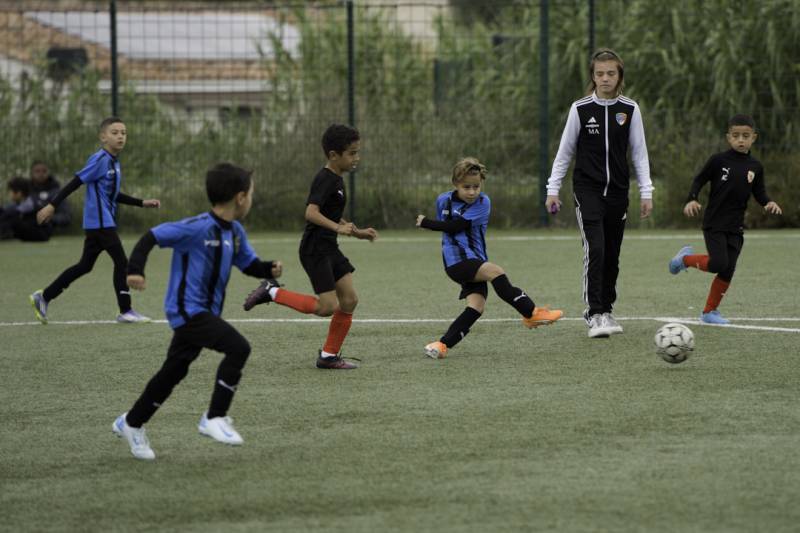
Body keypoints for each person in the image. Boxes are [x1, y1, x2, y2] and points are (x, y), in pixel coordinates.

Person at [113, 162, 283, 460]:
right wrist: (135, 269)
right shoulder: (196, 227)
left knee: (173, 372)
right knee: (238, 348)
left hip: (206, 313)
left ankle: (131, 422)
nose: (252, 200)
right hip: (188, 311)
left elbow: (248, 265)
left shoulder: (236, 232)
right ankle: (214, 417)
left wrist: (268, 268)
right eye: (251, 194)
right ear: (241, 198)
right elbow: (151, 236)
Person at [243, 124, 377, 370]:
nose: (356, 158)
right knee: (327, 307)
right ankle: (272, 292)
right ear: (333, 155)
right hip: (315, 249)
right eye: (352, 153)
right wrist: (337, 229)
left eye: (357, 152)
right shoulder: (325, 179)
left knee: (349, 300)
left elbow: (331, 214)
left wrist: (356, 232)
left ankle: (328, 356)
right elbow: (311, 213)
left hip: (329, 247)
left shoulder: (337, 179)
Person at [545, 48, 653, 338]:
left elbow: (640, 154)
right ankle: (593, 313)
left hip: (618, 192)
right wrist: (552, 189)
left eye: (611, 73)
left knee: (613, 255)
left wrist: (647, 192)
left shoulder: (630, 109)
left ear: (619, 76)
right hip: (587, 190)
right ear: (593, 77)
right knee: (596, 249)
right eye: (599, 74)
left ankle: (606, 310)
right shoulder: (580, 109)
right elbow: (564, 152)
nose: (605, 79)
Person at [415, 157, 564, 359]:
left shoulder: (483, 202)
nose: (472, 191)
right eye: (466, 186)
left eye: (476, 186)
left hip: (474, 258)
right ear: (455, 184)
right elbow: (446, 228)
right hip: (456, 261)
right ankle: (531, 313)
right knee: (496, 271)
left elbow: (455, 226)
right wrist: (431, 224)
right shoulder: (443, 200)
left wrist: (427, 223)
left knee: (476, 307)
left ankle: (440, 345)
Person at [28, 117, 160, 324]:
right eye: (115, 132)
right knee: (122, 262)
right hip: (100, 222)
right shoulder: (100, 159)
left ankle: (43, 297)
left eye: (123, 133)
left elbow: (112, 194)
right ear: (103, 137)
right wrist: (52, 205)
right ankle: (125, 311)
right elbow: (76, 182)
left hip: (100, 222)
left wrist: (141, 203)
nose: (120, 137)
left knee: (84, 266)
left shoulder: (114, 162)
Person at [668, 114, 782, 325]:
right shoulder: (718, 160)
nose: (741, 140)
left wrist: (768, 203)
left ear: (754, 138)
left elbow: (759, 192)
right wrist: (691, 199)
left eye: (745, 136)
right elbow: (699, 179)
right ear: (728, 137)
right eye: (736, 135)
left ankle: (709, 312)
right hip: (714, 223)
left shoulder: (755, 166)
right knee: (718, 263)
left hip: (736, 227)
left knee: (728, 269)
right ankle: (684, 260)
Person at [0, 177, 51, 241]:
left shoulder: (32, 204)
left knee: (12, 219)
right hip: (33, 233)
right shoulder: (19, 204)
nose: (9, 194)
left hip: (40, 235)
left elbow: (12, 214)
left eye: (11, 191)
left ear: (19, 193)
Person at [30, 161, 71, 230]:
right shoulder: (26, 191)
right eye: (37, 171)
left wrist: (47, 218)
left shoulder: (57, 192)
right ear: (32, 173)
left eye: (44, 171)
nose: (41, 174)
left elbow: (66, 217)